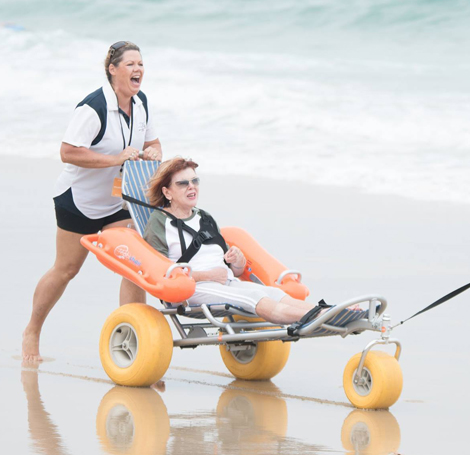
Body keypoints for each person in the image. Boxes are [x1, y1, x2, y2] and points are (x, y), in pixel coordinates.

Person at [22, 41, 162, 362]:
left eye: (140, 63)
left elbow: (153, 142)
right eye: (130, 64)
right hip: (78, 201)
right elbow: (68, 152)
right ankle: (32, 330)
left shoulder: (141, 104)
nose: (138, 69)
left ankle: (134, 341)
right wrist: (114, 159)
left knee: (134, 265)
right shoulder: (93, 107)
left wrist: (154, 152)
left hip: (117, 204)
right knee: (66, 269)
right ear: (112, 69)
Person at [143, 157, 316, 324]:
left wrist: (238, 262)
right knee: (254, 297)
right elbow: (161, 274)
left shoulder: (205, 217)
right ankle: (314, 318)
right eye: (183, 183)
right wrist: (207, 275)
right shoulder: (159, 222)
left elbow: (233, 269)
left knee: (273, 293)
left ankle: (325, 313)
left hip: (225, 283)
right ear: (167, 192)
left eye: (195, 181)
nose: (192, 187)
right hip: (189, 290)